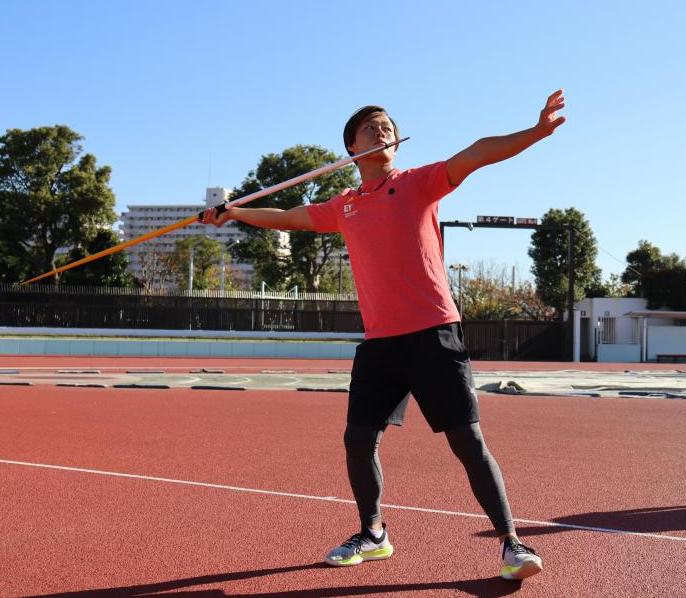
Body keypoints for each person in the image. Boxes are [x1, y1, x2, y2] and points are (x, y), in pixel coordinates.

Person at [202, 91, 566, 581]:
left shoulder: (419, 183)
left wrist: (536, 132)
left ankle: (511, 543)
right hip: (381, 344)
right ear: (351, 147)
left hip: (434, 333)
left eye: (388, 126)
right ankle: (373, 534)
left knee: (467, 441)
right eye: (371, 127)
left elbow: (478, 152)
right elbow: (290, 217)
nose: (383, 130)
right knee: (358, 439)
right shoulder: (344, 205)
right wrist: (235, 213)